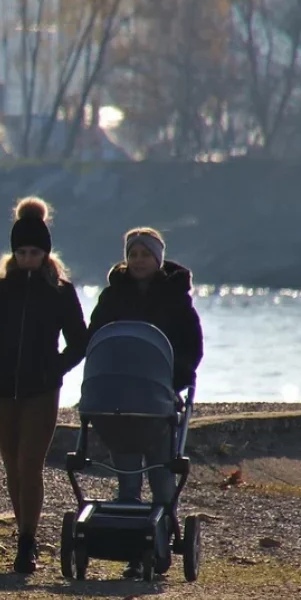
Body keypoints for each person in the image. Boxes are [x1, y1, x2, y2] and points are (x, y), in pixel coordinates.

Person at [0, 196, 89, 574]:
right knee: (12, 467)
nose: (27, 257)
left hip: (41, 391)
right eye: (21, 251)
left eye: (34, 251)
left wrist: (56, 370)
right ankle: (24, 534)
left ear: (46, 253)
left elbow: (80, 340)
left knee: (30, 464)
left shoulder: (61, 290)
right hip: (0, 390)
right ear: (13, 252)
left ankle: (27, 543)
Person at [86, 226, 203, 578]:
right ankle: (134, 550)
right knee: (128, 480)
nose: (138, 261)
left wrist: (176, 375)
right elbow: (97, 338)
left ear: (158, 258)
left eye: (145, 255)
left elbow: (191, 347)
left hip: (160, 396)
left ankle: (163, 535)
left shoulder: (176, 300)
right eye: (133, 255)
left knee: (162, 476)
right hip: (120, 398)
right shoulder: (112, 297)